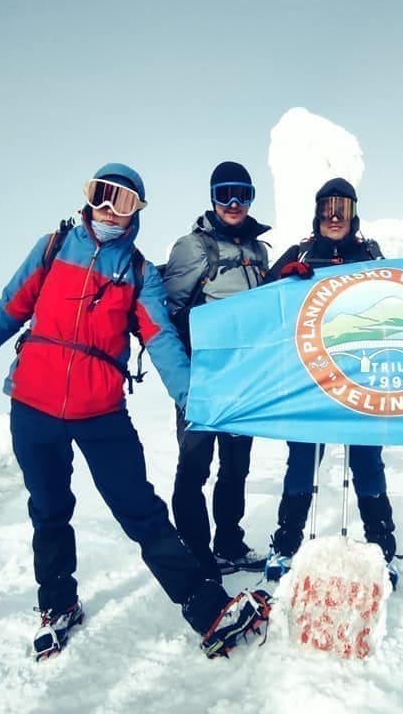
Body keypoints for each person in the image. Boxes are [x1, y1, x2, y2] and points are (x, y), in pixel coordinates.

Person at [0, 163, 269, 661]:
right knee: (49, 510)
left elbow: (162, 341)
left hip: (101, 413)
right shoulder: (53, 248)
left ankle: (207, 609)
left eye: (122, 200)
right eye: (102, 194)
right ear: (88, 197)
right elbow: (5, 313)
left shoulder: (141, 274)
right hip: (33, 408)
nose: (108, 208)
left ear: (136, 211)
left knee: (142, 512)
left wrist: (195, 401)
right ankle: (58, 605)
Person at [260, 177, 399, 587]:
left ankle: (382, 548)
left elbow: (396, 300)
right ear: (317, 213)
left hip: (359, 379)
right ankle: (286, 544)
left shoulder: (370, 254)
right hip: (308, 379)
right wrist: (283, 281)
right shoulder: (300, 252)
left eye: (343, 208)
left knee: (367, 462)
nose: (334, 217)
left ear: (354, 214)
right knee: (302, 462)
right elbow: (262, 306)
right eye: (327, 208)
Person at [162, 161, 271, 579]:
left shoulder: (260, 251)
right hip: (203, 378)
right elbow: (169, 313)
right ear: (212, 197)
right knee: (194, 466)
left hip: (244, 379)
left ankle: (229, 543)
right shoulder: (192, 247)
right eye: (225, 193)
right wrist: (185, 374)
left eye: (243, 194)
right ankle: (196, 553)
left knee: (236, 465)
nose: (234, 203)